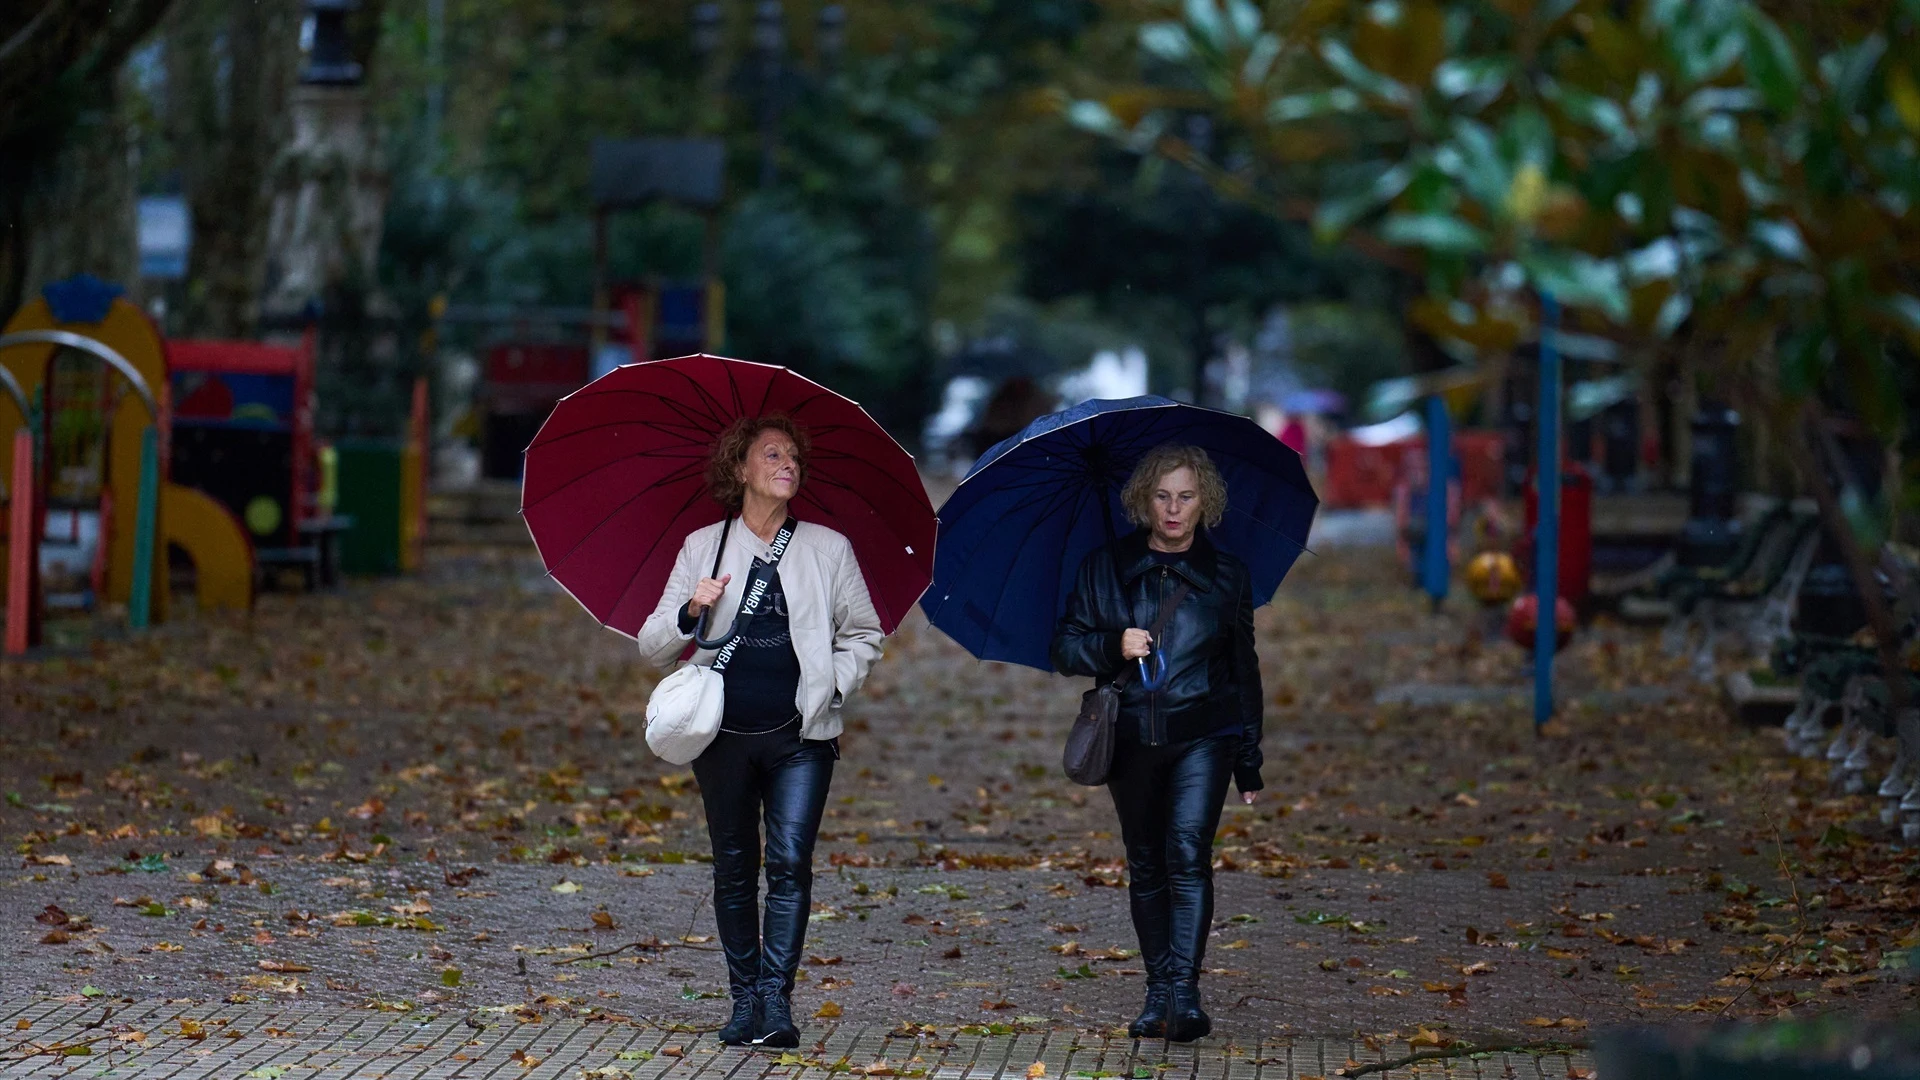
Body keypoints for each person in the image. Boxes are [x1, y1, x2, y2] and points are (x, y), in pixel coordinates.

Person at [638, 415, 886, 1047]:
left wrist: (832, 686)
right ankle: (743, 997)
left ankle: (777, 1000)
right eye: (772, 455)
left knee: (791, 862)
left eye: (794, 457)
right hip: (721, 735)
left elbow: (864, 633)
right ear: (740, 469)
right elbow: (652, 644)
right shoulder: (704, 546)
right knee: (733, 866)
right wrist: (693, 607)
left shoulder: (827, 548)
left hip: (801, 735)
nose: (787, 464)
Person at [1050, 444, 1264, 1042]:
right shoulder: (1104, 568)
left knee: (1188, 856)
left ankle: (1185, 996)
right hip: (1132, 739)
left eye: (1187, 497)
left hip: (1205, 734)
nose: (1174, 509)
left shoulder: (1228, 576)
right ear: (1143, 500)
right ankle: (1157, 994)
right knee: (1146, 863)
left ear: (1206, 503)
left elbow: (1244, 671)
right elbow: (1064, 647)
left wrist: (1249, 759)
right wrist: (1111, 646)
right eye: (1163, 496)